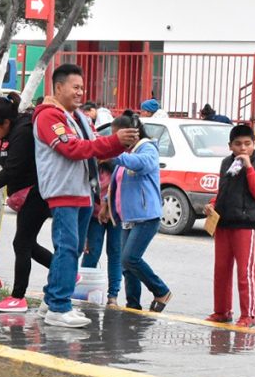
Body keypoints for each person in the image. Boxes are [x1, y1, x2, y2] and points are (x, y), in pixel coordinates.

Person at [33, 64, 137, 328]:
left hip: (82, 191)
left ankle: (52, 300)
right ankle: (59, 306)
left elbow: (93, 150)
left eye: (82, 87)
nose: (81, 92)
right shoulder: (48, 117)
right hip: (64, 191)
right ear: (59, 87)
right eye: (75, 87)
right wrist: (114, 140)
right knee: (67, 248)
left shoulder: (77, 117)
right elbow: (73, 149)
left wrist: (117, 145)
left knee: (73, 249)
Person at [0, 93, 53, 313]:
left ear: (6, 122)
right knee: (27, 244)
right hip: (24, 194)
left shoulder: (22, 133)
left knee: (21, 244)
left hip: (37, 193)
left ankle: (18, 297)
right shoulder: (8, 131)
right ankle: (66, 271)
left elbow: (10, 172)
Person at [204, 124, 255, 328]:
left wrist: (249, 167)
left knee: (246, 272)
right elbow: (223, 190)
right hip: (224, 223)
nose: (243, 148)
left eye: (247, 144)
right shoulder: (227, 163)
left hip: (245, 224)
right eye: (238, 144)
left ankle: (248, 315)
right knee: (221, 270)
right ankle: (222, 311)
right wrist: (213, 205)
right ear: (230, 146)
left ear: (254, 144)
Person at [105, 111, 171, 312]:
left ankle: (161, 291)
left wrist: (116, 155)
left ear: (132, 134)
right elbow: (117, 183)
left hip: (146, 215)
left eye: (118, 136)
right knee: (127, 266)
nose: (115, 141)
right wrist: (107, 205)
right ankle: (133, 305)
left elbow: (142, 165)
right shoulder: (128, 154)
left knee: (129, 258)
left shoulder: (147, 149)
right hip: (127, 216)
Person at [81, 160, 122, 306]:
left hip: (116, 216)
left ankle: (113, 296)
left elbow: (120, 190)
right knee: (91, 253)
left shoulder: (118, 165)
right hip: (94, 216)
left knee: (115, 253)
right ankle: (84, 292)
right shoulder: (90, 167)